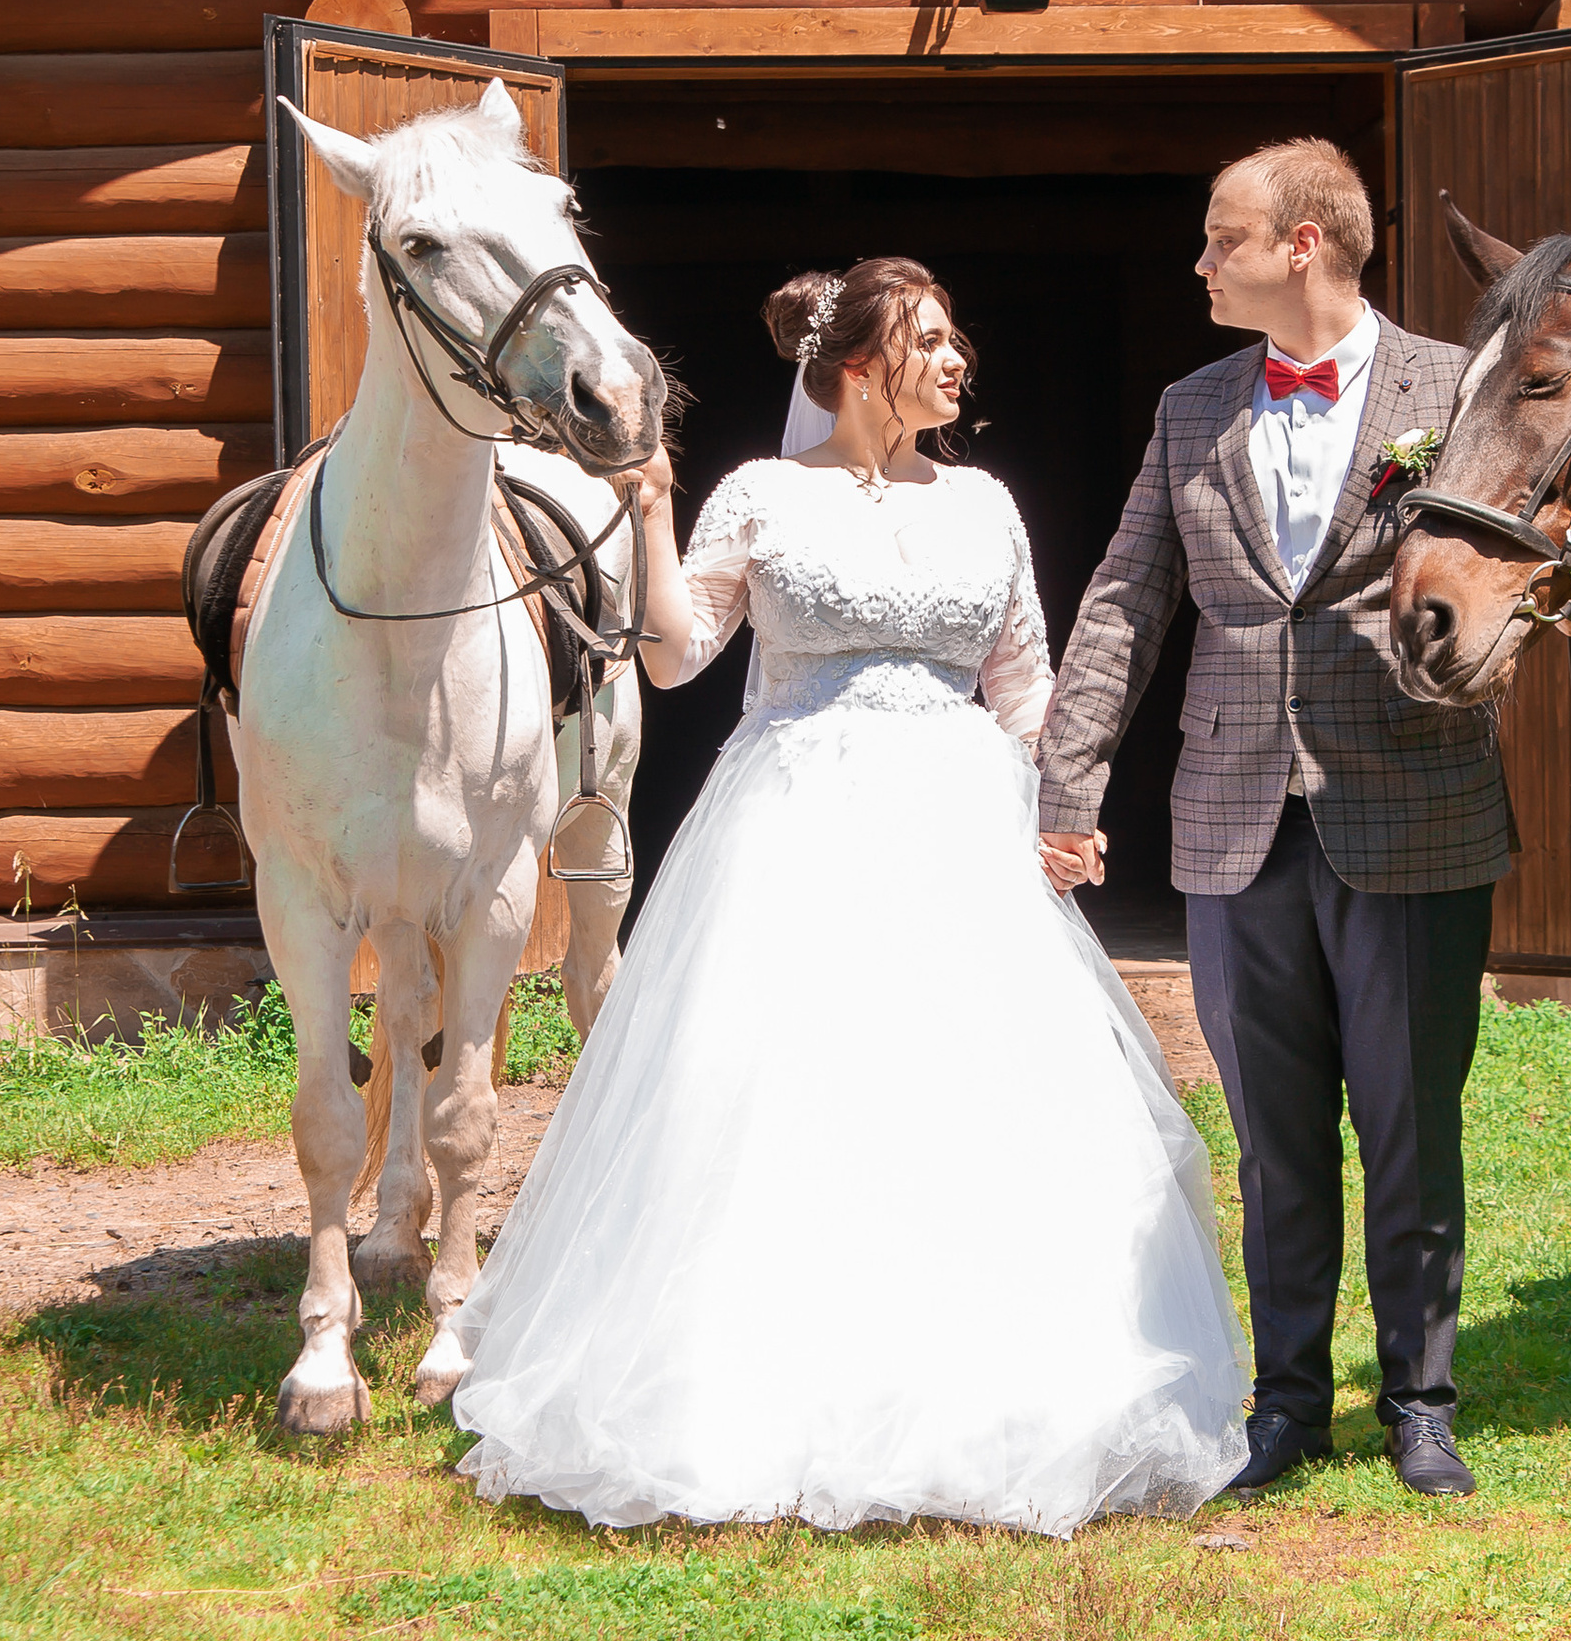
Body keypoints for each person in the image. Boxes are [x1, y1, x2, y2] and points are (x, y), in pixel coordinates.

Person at [444, 256, 1250, 1534]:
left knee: (971, 1086)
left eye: (955, 336)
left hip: (961, 824)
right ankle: (772, 1379)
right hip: (795, 825)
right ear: (862, 367)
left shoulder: (983, 502)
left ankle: (985, 1378)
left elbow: (1022, 682)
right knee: (791, 1090)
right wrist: (651, 517)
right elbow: (677, 658)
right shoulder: (762, 494)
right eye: (930, 339)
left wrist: (1061, 810)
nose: (956, 359)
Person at [1034, 140, 1513, 1499]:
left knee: (1411, 1126)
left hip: (1411, 806)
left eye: (1221, 237)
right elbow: (1127, 598)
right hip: (1231, 815)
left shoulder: (1456, 391)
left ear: (1304, 243)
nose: (1199, 261)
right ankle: (1289, 1404)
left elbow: (1519, 570)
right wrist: (1067, 783)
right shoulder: (1191, 406)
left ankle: (1419, 1402)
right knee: (1276, 1138)